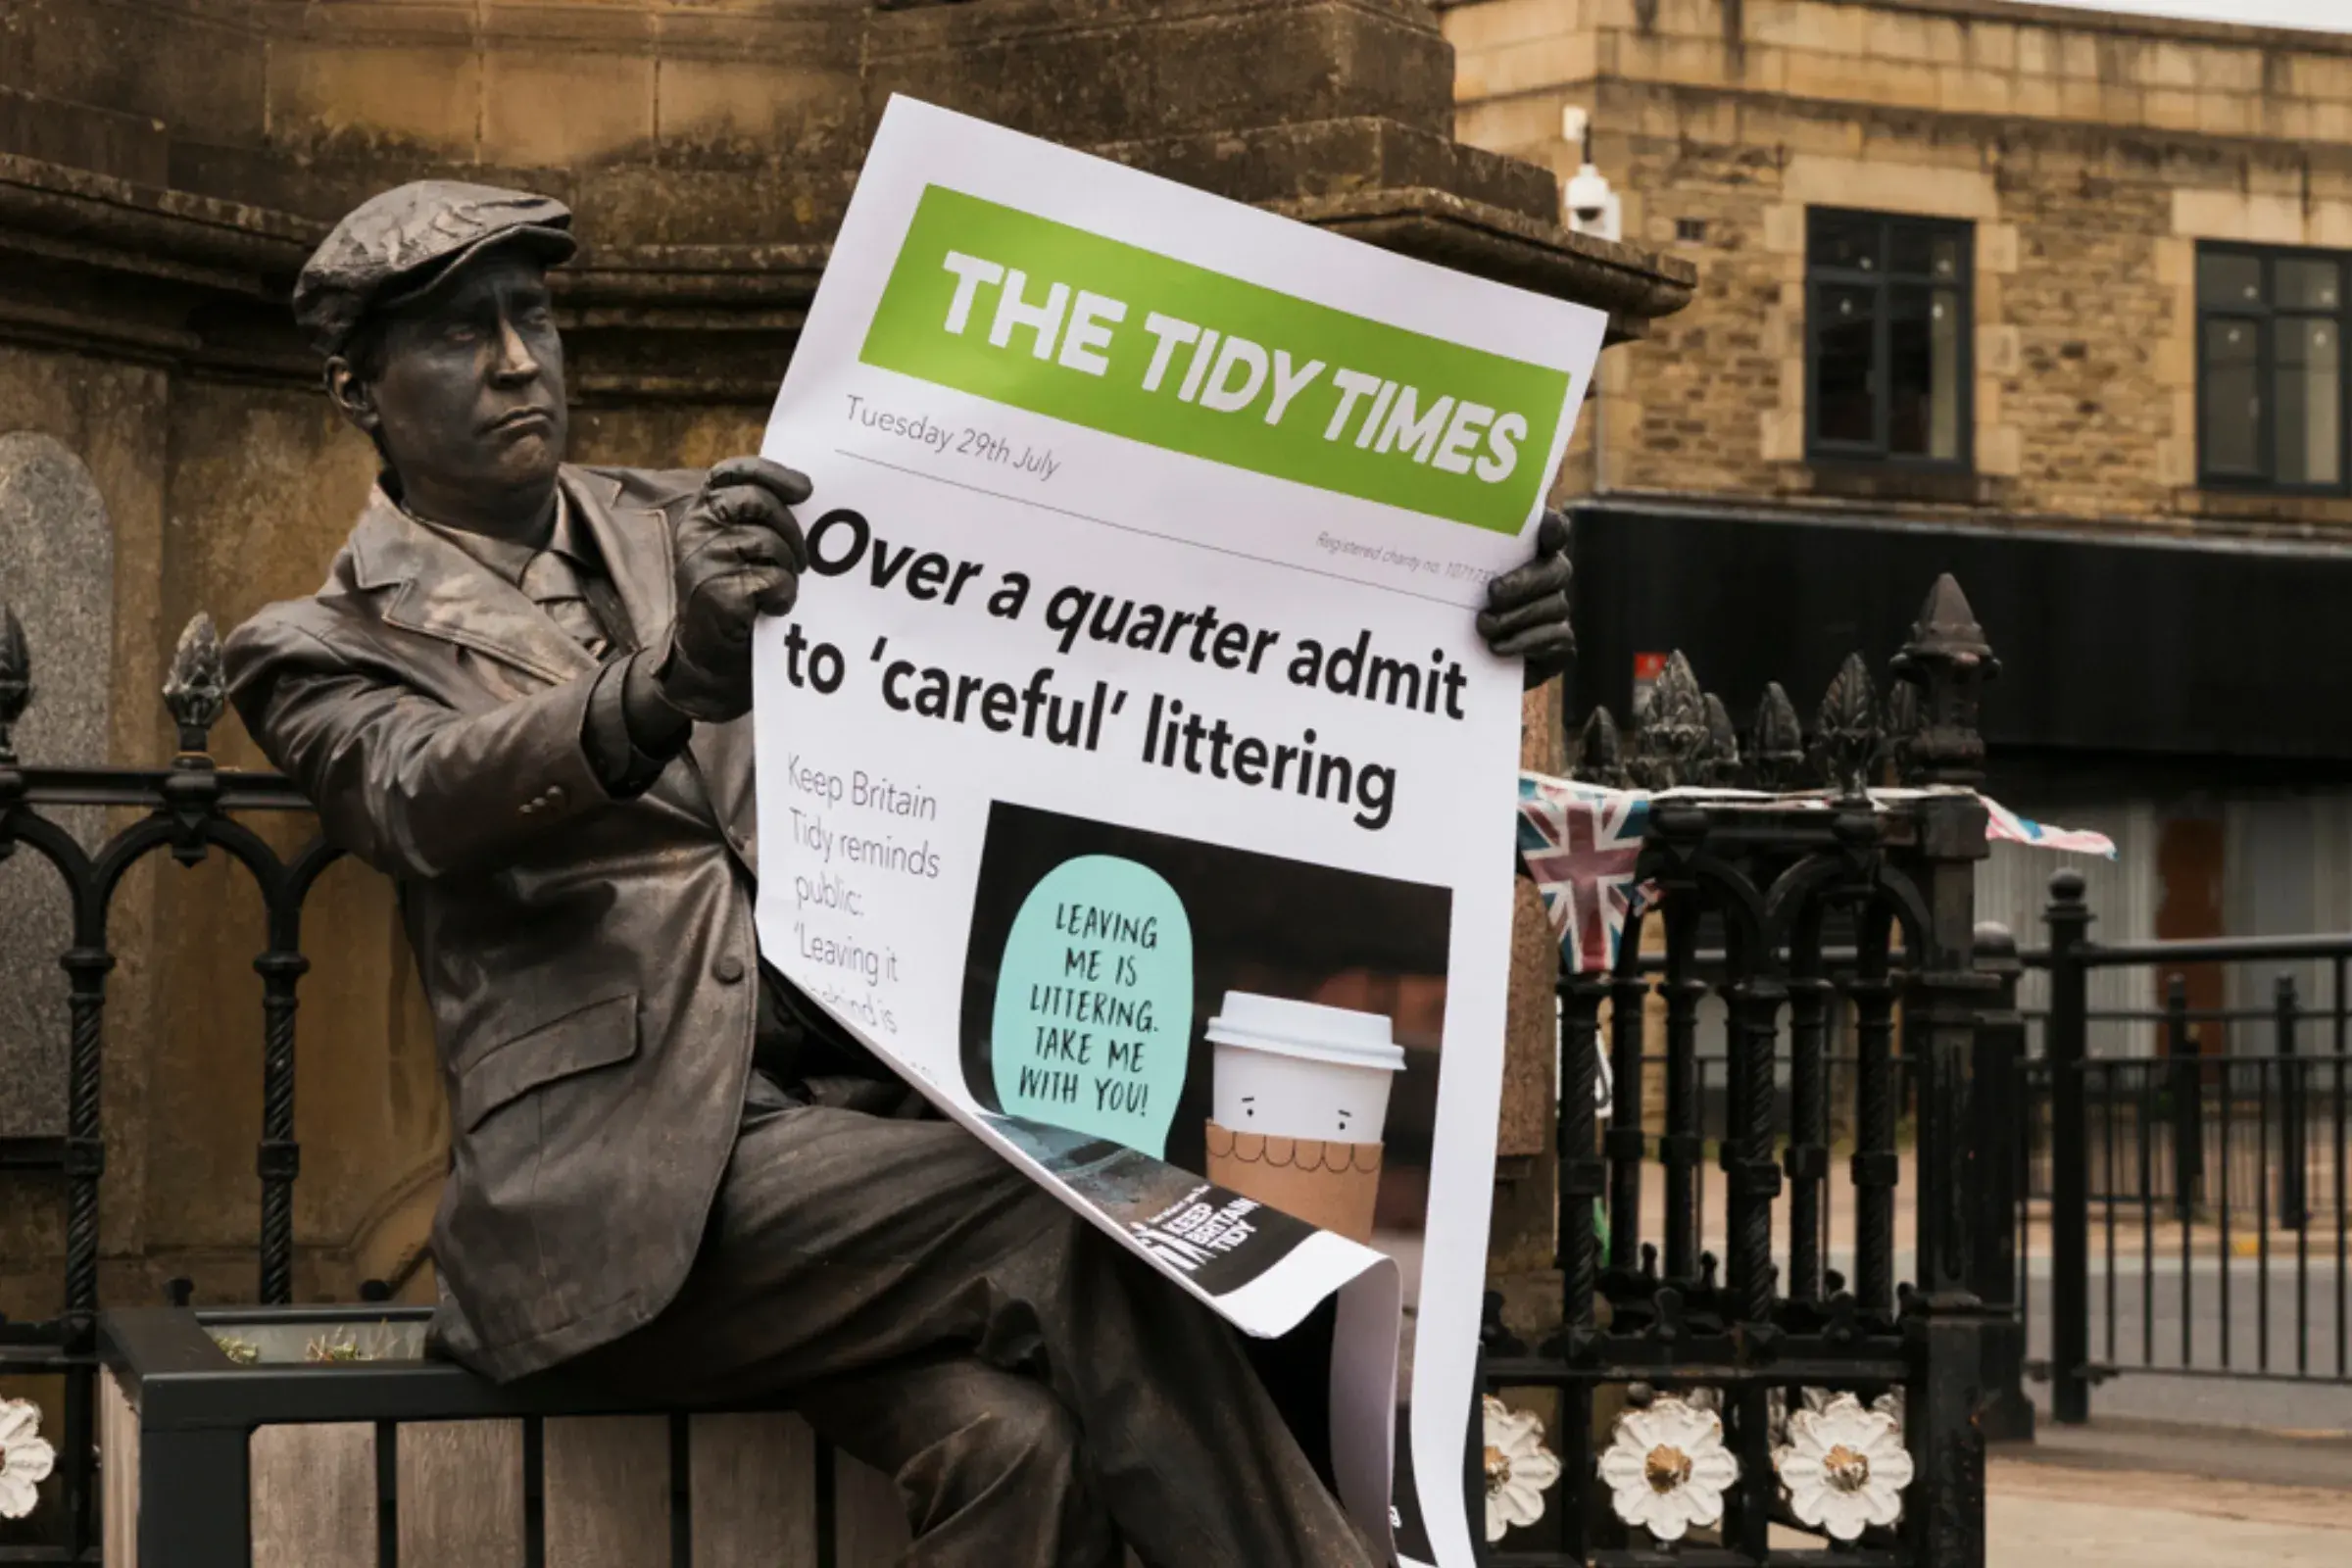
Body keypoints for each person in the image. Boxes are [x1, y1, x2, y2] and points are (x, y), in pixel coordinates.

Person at [224, 181, 1577, 1567]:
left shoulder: (713, 521)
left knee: (1019, 1455)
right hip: (628, 1209)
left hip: (876, 1147)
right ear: (358, 393)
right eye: (459, 334)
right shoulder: (311, 643)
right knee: (1075, 1215)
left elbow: (1108, 586)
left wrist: (1442, 595)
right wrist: (666, 681)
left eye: (532, 315)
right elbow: (419, 795)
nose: (517, 359)